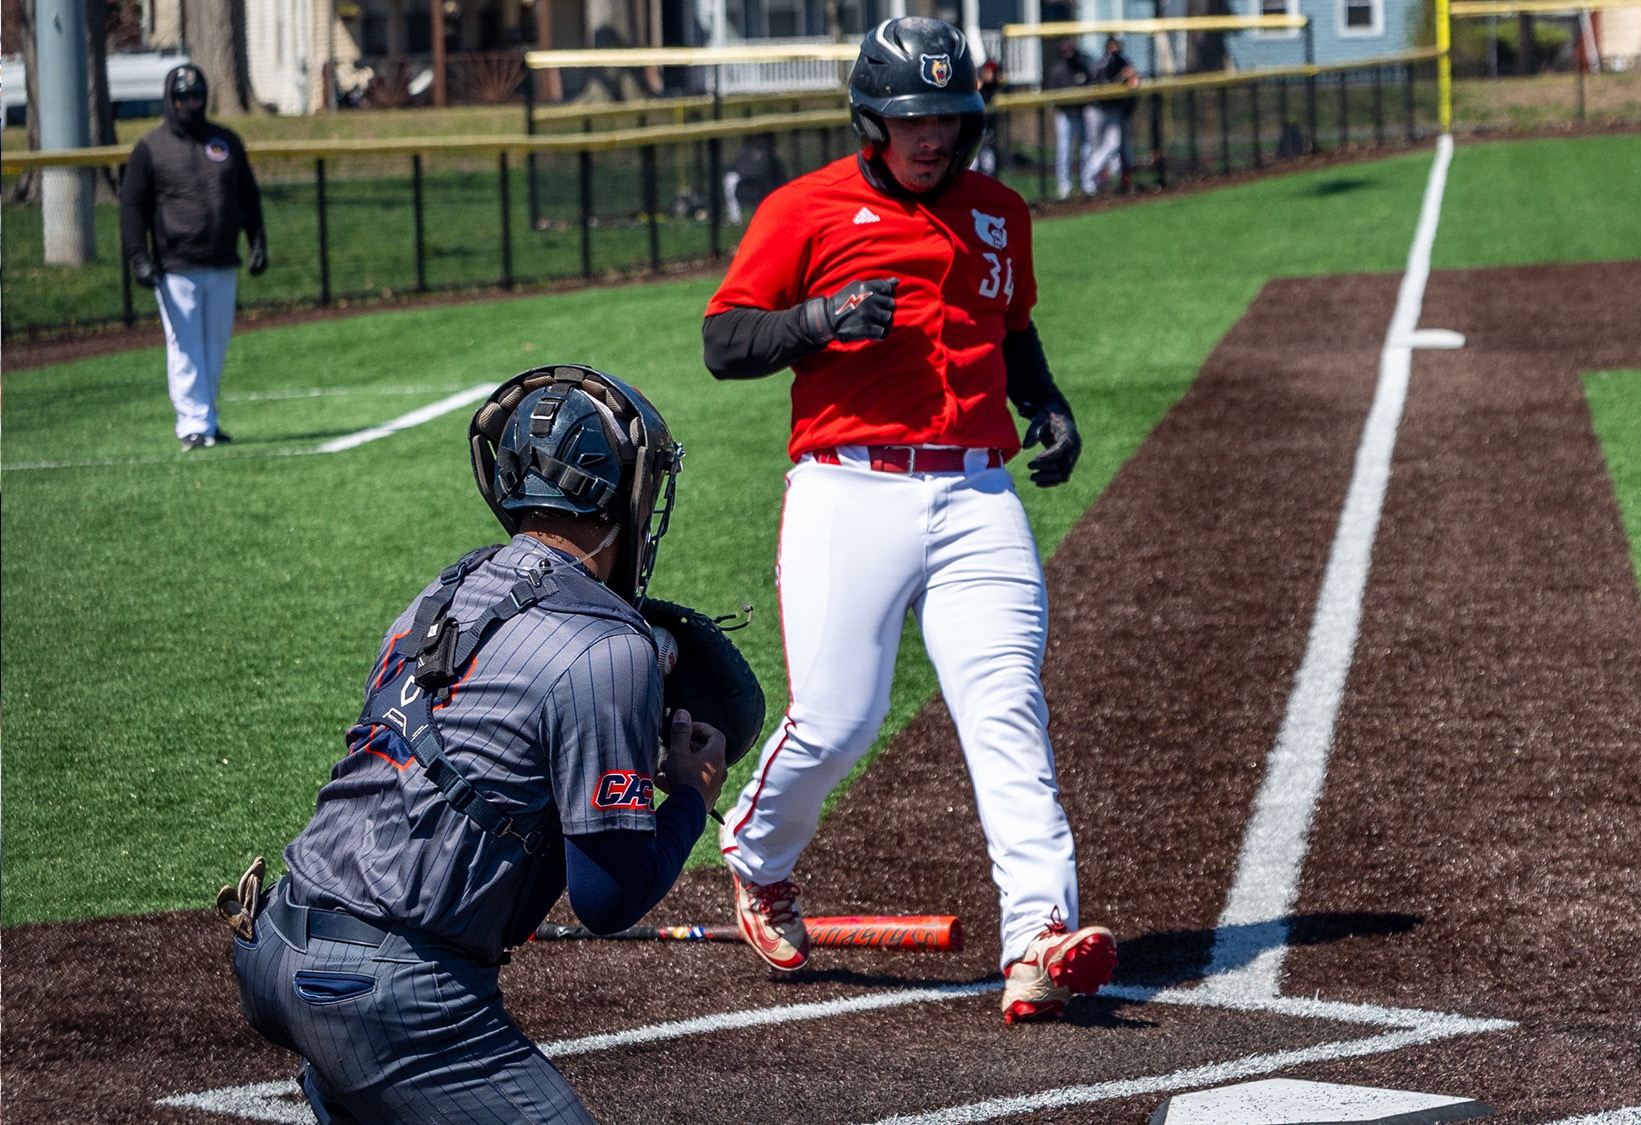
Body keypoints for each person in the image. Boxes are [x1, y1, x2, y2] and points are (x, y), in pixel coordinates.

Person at [699, 16, 1117, 1025]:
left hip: (977, 495)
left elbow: (1009, 328)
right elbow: (723, 341)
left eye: (948, 117)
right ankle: (757, 856)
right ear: (871, 120)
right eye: (911, 117)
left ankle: (1037, 940)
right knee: (838, 720)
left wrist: (1045, 402)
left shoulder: (998, 213)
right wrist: (817, 320)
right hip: (848, 489)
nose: (931, 136)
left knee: (1005, 709)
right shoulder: (803, 209)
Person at [228, 365, 728, 1123]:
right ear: (617, 495)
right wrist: (690, 791)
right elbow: (608, 898)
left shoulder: (441, 593)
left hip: (273, 939)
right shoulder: (609, 648)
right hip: (383, 993)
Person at [119, 64, 268, 451]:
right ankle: (192, 425)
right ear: (169, 100)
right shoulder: (150, 148)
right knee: (185, 346)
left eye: (196, 96)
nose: (190, 103)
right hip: (175, 266)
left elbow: (248, 196)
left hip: (222, 262)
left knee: (215, 347)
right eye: (182, 97)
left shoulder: (225, 142)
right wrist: (138, 257)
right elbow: (132, 208)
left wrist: (257, 242)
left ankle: (207, 421)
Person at [1081, 36, 1141, 196]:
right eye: (1112, 45)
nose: (1115, 48)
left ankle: (1093, 177)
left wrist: (1130, 78)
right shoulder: (1101, 64)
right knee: (1095, 147)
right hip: (1096, 109)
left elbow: (1134, 81)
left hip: (1114, 110)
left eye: (1117, 45)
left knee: (1113, 144)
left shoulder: (1123, 63)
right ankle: (1091, 183)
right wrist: (1121, 78)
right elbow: (1102, 86)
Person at [1044, 36, 1095, 200]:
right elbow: (1052, 93)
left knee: (1086, 149)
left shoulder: (1082, 66)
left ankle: (1087, 184)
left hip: (1081, 112)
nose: (1068, 53)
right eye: (1065, 50)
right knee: (1065, 151)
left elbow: (1090, 86)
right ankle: (1064, 187)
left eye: (1070, 50)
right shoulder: (1057, 69)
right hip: (1064, 115)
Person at [724, 133, 791, 225]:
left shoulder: (771, 158)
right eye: (755, 138)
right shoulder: (745, 155)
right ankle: (735, 219)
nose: (758, 141)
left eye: (761, 139)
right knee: (730, 178)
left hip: (766, 188)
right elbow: (738, 170)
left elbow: (781, 178)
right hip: (745, 187)